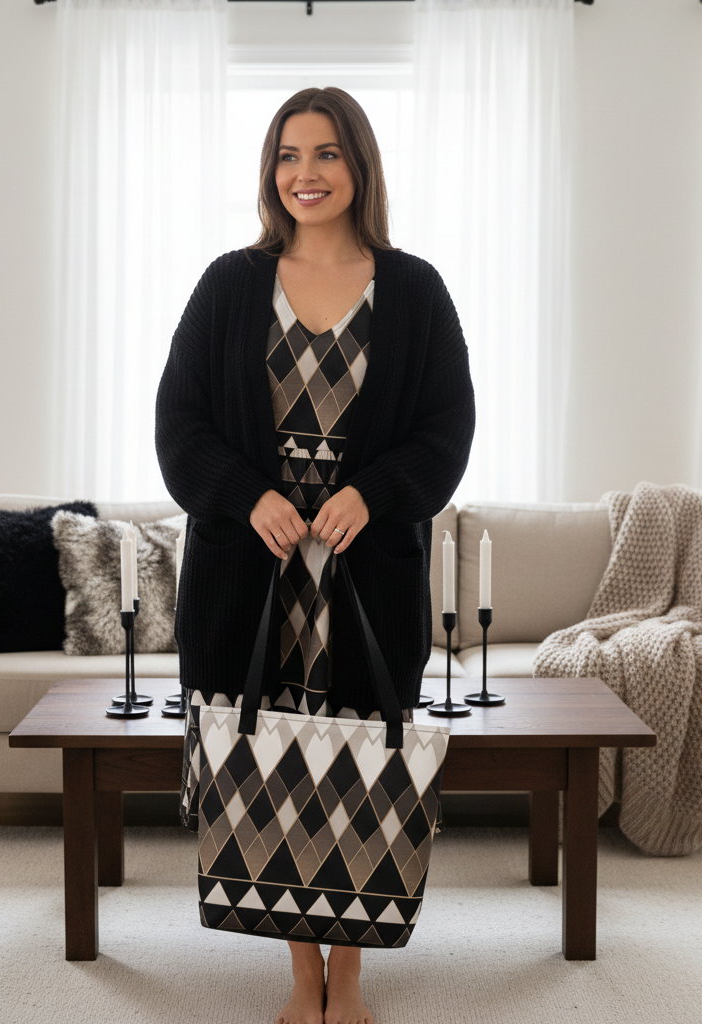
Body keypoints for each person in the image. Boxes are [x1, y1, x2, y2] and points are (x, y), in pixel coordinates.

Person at [155, 87, 475, 1024]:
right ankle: (302, 979)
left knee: (356, 776)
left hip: (363, 579)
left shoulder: (414, 290)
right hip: (248, 574)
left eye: (327, 154)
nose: (306, 173)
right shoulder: (227, 284)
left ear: (359, 167)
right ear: (270, 173)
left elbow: (446, 431)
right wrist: (245, 494)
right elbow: (179, 427)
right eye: (289, 156)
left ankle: (353, 972)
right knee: (275, 778)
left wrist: (372, 496)